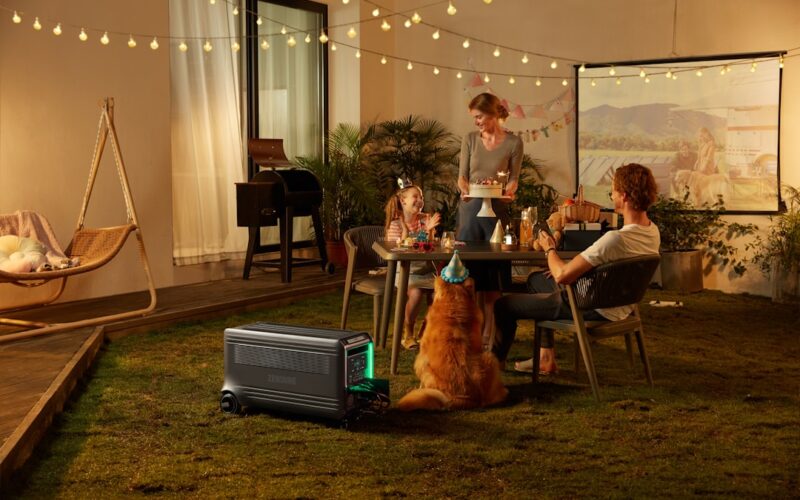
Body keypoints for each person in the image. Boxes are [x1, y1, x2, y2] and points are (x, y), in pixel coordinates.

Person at [493, 163, 661, 374]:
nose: (612, 196)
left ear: (624, 196)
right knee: (537, 281)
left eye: (613, 191)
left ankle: (490, 368)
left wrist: (549, 249)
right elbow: (617, 269)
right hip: (620, 304)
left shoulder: (614, 240)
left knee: (503, 305)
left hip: (591, 306)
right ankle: (546, 358)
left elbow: (562, 275)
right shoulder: (652, 231)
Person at [457, 92, 523, 347]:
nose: (476, 122)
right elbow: (462, 176)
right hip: (470, 212)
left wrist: (510, 191)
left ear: (494, 113)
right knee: (469, 279)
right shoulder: (470, 139)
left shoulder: (514, 143)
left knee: (493, 282)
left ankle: (489, 337)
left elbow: (514, 177)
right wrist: (465, 189)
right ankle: (470, 334)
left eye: (479, 116)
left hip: (497, 213)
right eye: (474, 117)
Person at [385, 181, 441, 350]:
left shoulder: (425, 220)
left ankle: (426, 332)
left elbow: (430, 247)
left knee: (440, 294)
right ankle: (408, 334)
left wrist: (430, 231)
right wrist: (413, 231)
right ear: (403, 201)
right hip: (405, 272)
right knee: (415, 294)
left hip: (426, 270)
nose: (420, 200)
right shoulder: (395, 224)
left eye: (421, 197)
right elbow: (402, 250)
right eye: (415, 196)